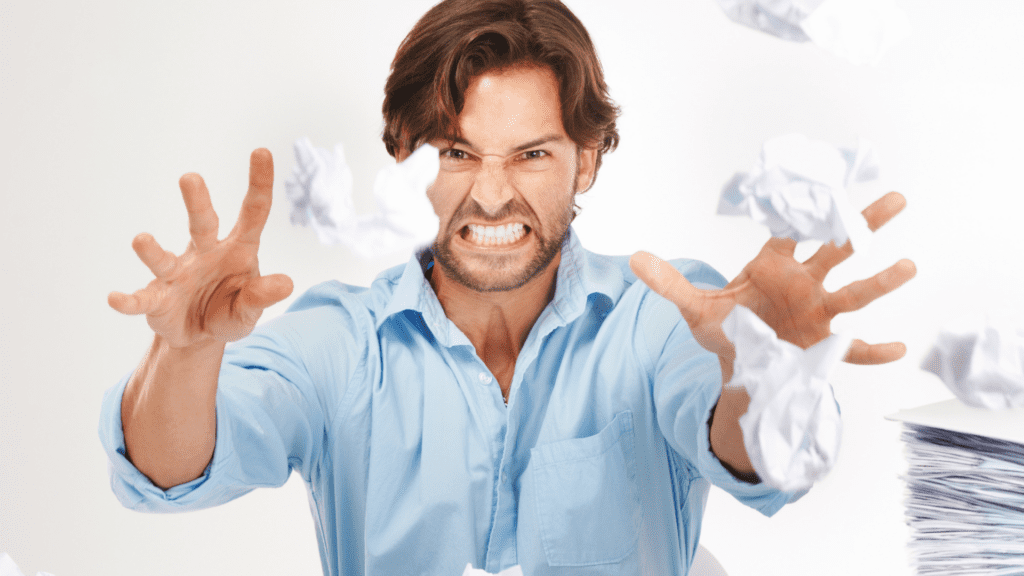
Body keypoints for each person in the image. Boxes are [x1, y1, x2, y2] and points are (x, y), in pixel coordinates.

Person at [101, 0, 916, 574]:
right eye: (456, 154)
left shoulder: (667, 317)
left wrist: (761, 371)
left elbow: (750, 452)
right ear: (405, 161)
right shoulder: (340, 344)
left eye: (531, 154)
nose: (491, 197)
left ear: (586, 161)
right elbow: (167, 471)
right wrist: (186, 351)